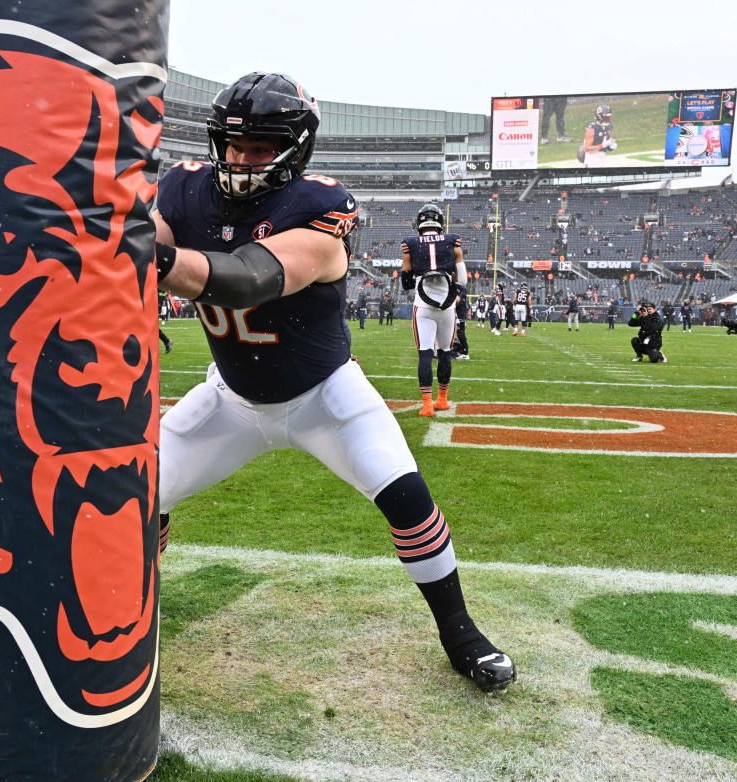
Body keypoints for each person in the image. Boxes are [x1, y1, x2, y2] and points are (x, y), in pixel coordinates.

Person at [152, 71, 514, 693]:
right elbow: (141, 245)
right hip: (230, 398)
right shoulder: (184, 189)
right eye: (233, 146)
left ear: (295, 149)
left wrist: (143, 256)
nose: (241, 161)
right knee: (138, 493)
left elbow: (247, 277)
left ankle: (459, 631)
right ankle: (129, 611)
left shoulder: (319, 206)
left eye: (260, 148)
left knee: (407, 499)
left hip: (325, 396)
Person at [401, 202, 467, 415]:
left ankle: (427, 405)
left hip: (423, 305)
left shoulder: (410, 243)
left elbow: (406, 282)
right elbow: (463, 279)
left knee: (425, 354)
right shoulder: (452, 240)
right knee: (445, 352)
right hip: (447, 306)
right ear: (440, 221)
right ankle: (442, 399)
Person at [579, 104, 616, 168]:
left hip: (602, 159)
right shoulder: (592, 128)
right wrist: (602, 145)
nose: (608, 120)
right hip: (592, 160)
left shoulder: (609, 126)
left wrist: (611, 146)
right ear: (599, 117)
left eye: (609, 117)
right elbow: (587, 148)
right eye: (606, 118)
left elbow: (605, 144)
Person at [451, 281, 470, 360]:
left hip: (459, 313)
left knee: (460, 332)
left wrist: (458, 296)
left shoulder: (459, 287)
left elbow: (463, 291)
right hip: (454, 311)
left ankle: (463, 351)